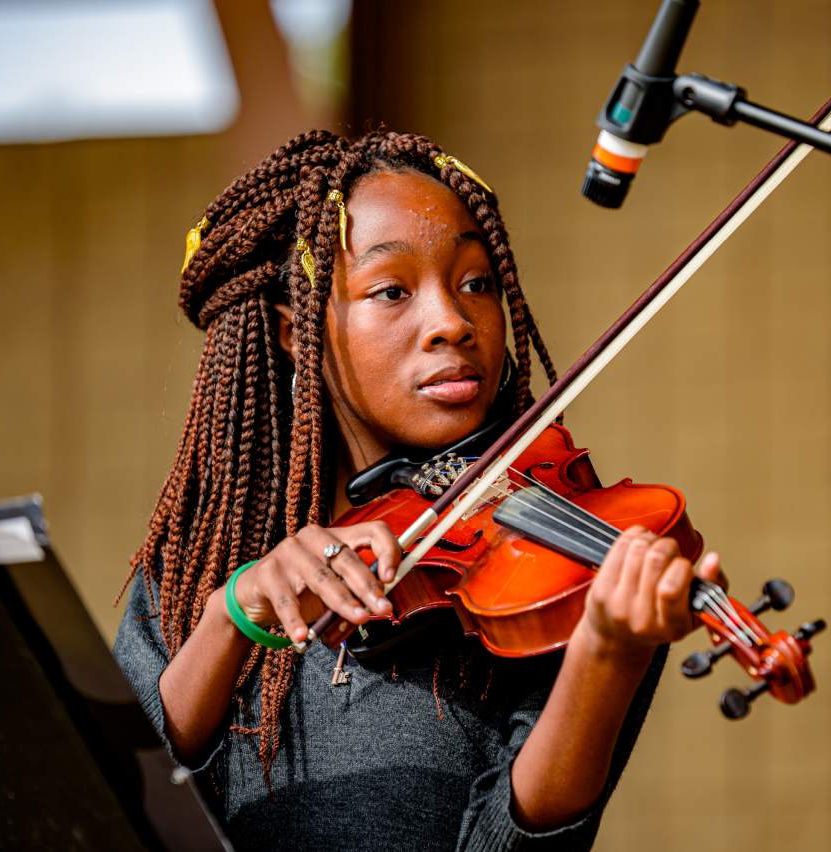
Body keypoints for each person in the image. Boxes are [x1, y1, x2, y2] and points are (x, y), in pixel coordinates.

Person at [113, 129, 723, 852]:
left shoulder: (570, 577)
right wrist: (228, 619)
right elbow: (102, 806)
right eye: (392, 290)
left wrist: (607, 656)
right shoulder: (195, 571)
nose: (453, 323)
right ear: (293, 331)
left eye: (476, 283)